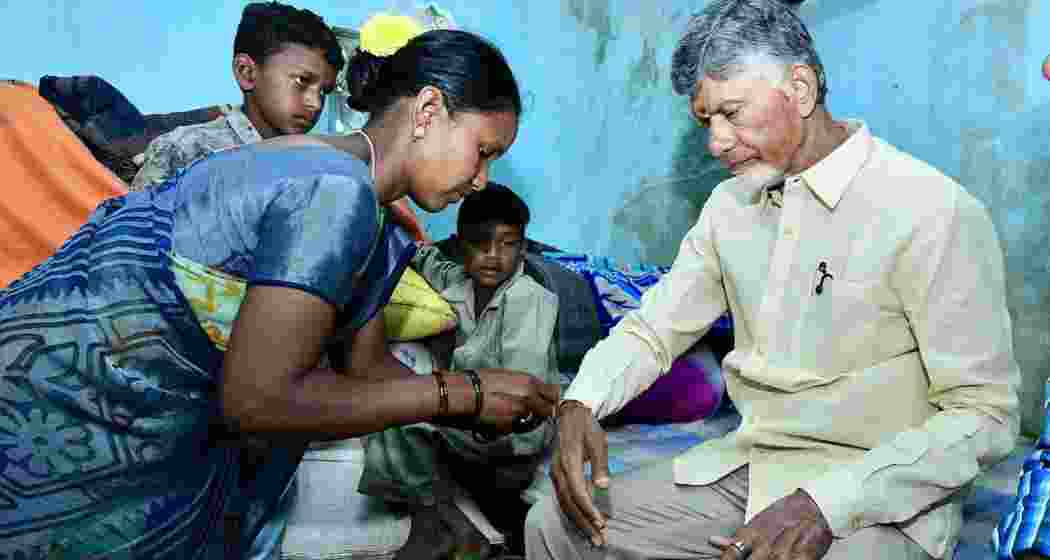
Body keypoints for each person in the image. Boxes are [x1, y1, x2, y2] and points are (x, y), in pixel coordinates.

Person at [0, 28, 559, 560]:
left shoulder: (377, 224)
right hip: (61, 401)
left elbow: (367, 370)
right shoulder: (334, 191)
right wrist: (460, 393)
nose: (482, 179)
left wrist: (482, 403)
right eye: (482, 151)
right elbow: (258, 401)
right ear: (430, 110)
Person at [524, 1, 1019, 559]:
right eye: (705, 121)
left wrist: (826, 504)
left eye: (732, 113)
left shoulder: (930, 210)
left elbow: (986, 414)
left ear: (801, 90)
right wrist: (580, 402)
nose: (716, 142)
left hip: (877, 494)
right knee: (554, 526)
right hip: (754, 470)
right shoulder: (730, 207)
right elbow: (653, 329)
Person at [359, 183, 559, 559]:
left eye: (507, 244)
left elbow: (521, 394)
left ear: (524, 248)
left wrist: (444, 407)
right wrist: (394, 222)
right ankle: (448, 523)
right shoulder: (459, 283)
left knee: (407, 418)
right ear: (461, 245)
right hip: (474, 417)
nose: (493, 256)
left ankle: (442, 521)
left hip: (515, 436)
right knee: (386, 413)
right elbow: (426, 259)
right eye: (480, 244)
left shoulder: (529, 300)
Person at [128, 1, 343, 191]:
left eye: (324, 91)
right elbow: (131, 231)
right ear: (246, 72)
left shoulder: (313, 170)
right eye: (302, 81)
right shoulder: (187, 150)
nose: (315, 104)